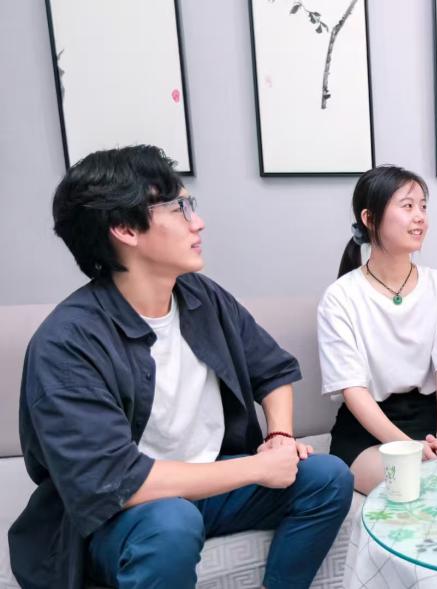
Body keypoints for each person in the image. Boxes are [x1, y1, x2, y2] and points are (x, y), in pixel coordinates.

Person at [8, 146, 354, 589]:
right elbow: (115, 483)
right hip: (120, 514)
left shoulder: (200, 296)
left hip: (208, 484)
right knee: (171, 523)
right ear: (124, 229)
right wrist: (256, 469)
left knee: (328, 477)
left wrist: (280, 438)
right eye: (179, 208)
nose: (198, 222)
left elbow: (273, 372)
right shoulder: (67, 343)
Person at [318, 165, 437, 495]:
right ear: (370, 218)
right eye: (407, 206)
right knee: (414, 487)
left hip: (432, 420)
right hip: (368, 430)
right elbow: (353, 390)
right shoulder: (340, 297)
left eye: (423, 206)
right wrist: (409, 449)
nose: (420, 217)